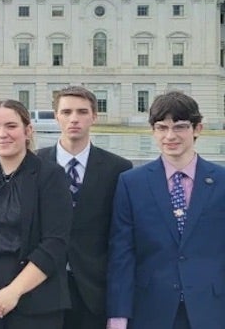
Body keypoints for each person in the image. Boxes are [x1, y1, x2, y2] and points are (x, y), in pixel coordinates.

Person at [108, 91, 225, 329]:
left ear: (197, 129)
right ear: (153, 131)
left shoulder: (222, 181)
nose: (170, 136)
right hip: (151, 309)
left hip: (211, 308)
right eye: (162, 127)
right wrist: (118, 315)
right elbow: (122, 254)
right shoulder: (132, 183)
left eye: (180, 127)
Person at [0, 99, 72, 329]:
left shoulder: (50, 176)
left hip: (35, 300)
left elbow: (55, 243)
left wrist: (14, 291)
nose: (2, 134)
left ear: (27, 131)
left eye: (11, 126)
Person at [35, 86, 132, 329]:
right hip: (41, 287)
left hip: (93, 289)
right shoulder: (34, 164)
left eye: (82, 112)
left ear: (94, 116)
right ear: (56, 116)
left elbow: (120, 236)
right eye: (66, 112)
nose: (74, 119)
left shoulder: (117, 168)